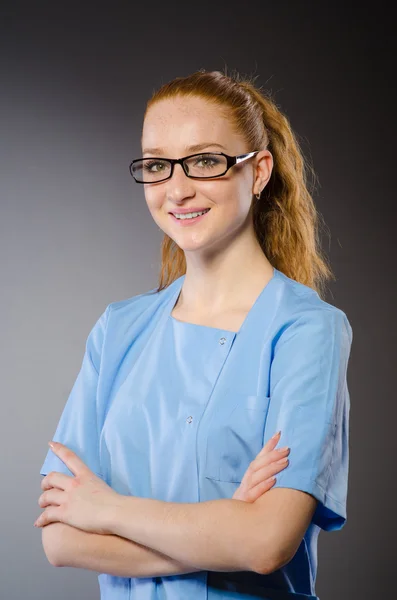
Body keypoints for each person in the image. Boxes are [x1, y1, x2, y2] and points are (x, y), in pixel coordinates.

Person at [37, 69, 353, 600]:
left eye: (206, 160)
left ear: (258, 172)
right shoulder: (118, 330)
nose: (177, 188)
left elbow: (266, 544)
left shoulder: (307, 330)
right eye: (158, 165)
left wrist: (108, 510)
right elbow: (62, 539)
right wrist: (225, 525)